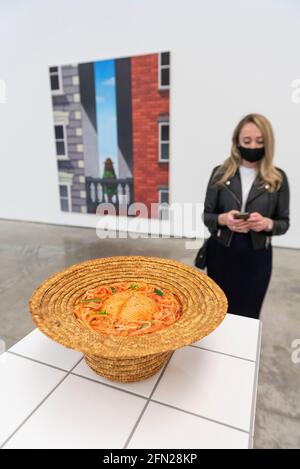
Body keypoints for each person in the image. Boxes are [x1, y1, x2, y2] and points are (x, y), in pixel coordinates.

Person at [203, 113, 290, 319]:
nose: (252, 147)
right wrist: (224, 219)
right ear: (237, 142)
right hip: (221, 254)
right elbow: (207, 216)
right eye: (247, 141)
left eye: (260, 142)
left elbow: (283, 223)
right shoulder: (220, 173)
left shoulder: (278, 178)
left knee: (248, 316)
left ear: (268, 143)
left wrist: (266, 223)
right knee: (218, 314)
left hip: (257, 258)